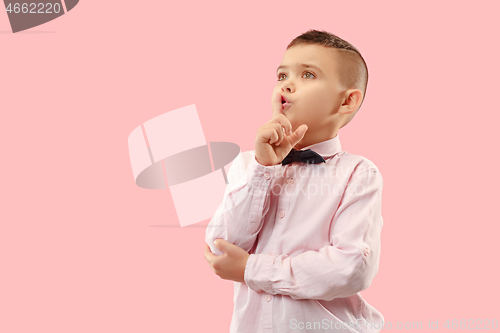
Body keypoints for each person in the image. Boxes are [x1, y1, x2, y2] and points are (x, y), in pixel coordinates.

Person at [204, 29, 384, 333]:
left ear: (347, 101)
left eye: (308, 75)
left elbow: (352, 268)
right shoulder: (248, 164)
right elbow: (221, 250)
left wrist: (252, 269)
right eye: (281, 75)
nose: (286, 83)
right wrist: (263, 169)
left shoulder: (359, 174)